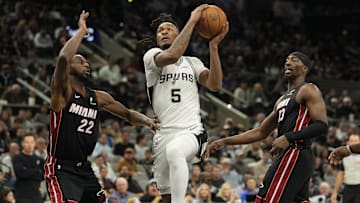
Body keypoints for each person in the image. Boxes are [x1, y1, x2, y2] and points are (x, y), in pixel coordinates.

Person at [44, 11, 158, 203]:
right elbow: (63, 58)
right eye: (80, 61)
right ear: (70, 67)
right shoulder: (63, 93)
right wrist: (81, 31)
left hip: (84, 168)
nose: (86, 64)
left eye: (87, 62)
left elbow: (128, 114)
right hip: (60, 168)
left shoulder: (99, 97)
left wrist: (148, 121)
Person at [205, 51, 328, 203]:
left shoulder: (308, 89)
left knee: (267, 199)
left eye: (294, 60)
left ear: (305, 69)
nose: (288, 62)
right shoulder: (282, 99)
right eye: (287, 60)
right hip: (289, 155)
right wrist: (225, 141)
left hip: (296, 152)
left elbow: (322, 126)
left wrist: (288, 137)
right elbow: (260, 131)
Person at [140, 4, 229, 203]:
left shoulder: (192, 63)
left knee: (176, 151)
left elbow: (215, 85)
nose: (163, 32)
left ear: (179, 35)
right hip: (163, 134)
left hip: (191, 131)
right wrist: (192, 19)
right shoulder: (151, 57)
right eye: (160, 31)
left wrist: (213, 47)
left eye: (168, 29)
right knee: (166, 196)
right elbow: (172, 55)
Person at [12, 133, 45, 203]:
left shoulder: (40, 159)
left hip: (36, 195)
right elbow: (20, 173)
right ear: (22, 143)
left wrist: (27, 170)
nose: (30, 145)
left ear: (35, 143)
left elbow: (43, 175)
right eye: (27, 142)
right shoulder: (17, 158)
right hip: (22, 195)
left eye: (32, 142)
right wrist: (37, 171)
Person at [330, 134, 360, 203]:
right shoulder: (344, 157)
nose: (354, 143)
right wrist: (335, 192)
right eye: (352, 141)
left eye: (356, 141)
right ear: (348, 142)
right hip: (348, 187)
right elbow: (341, 174)